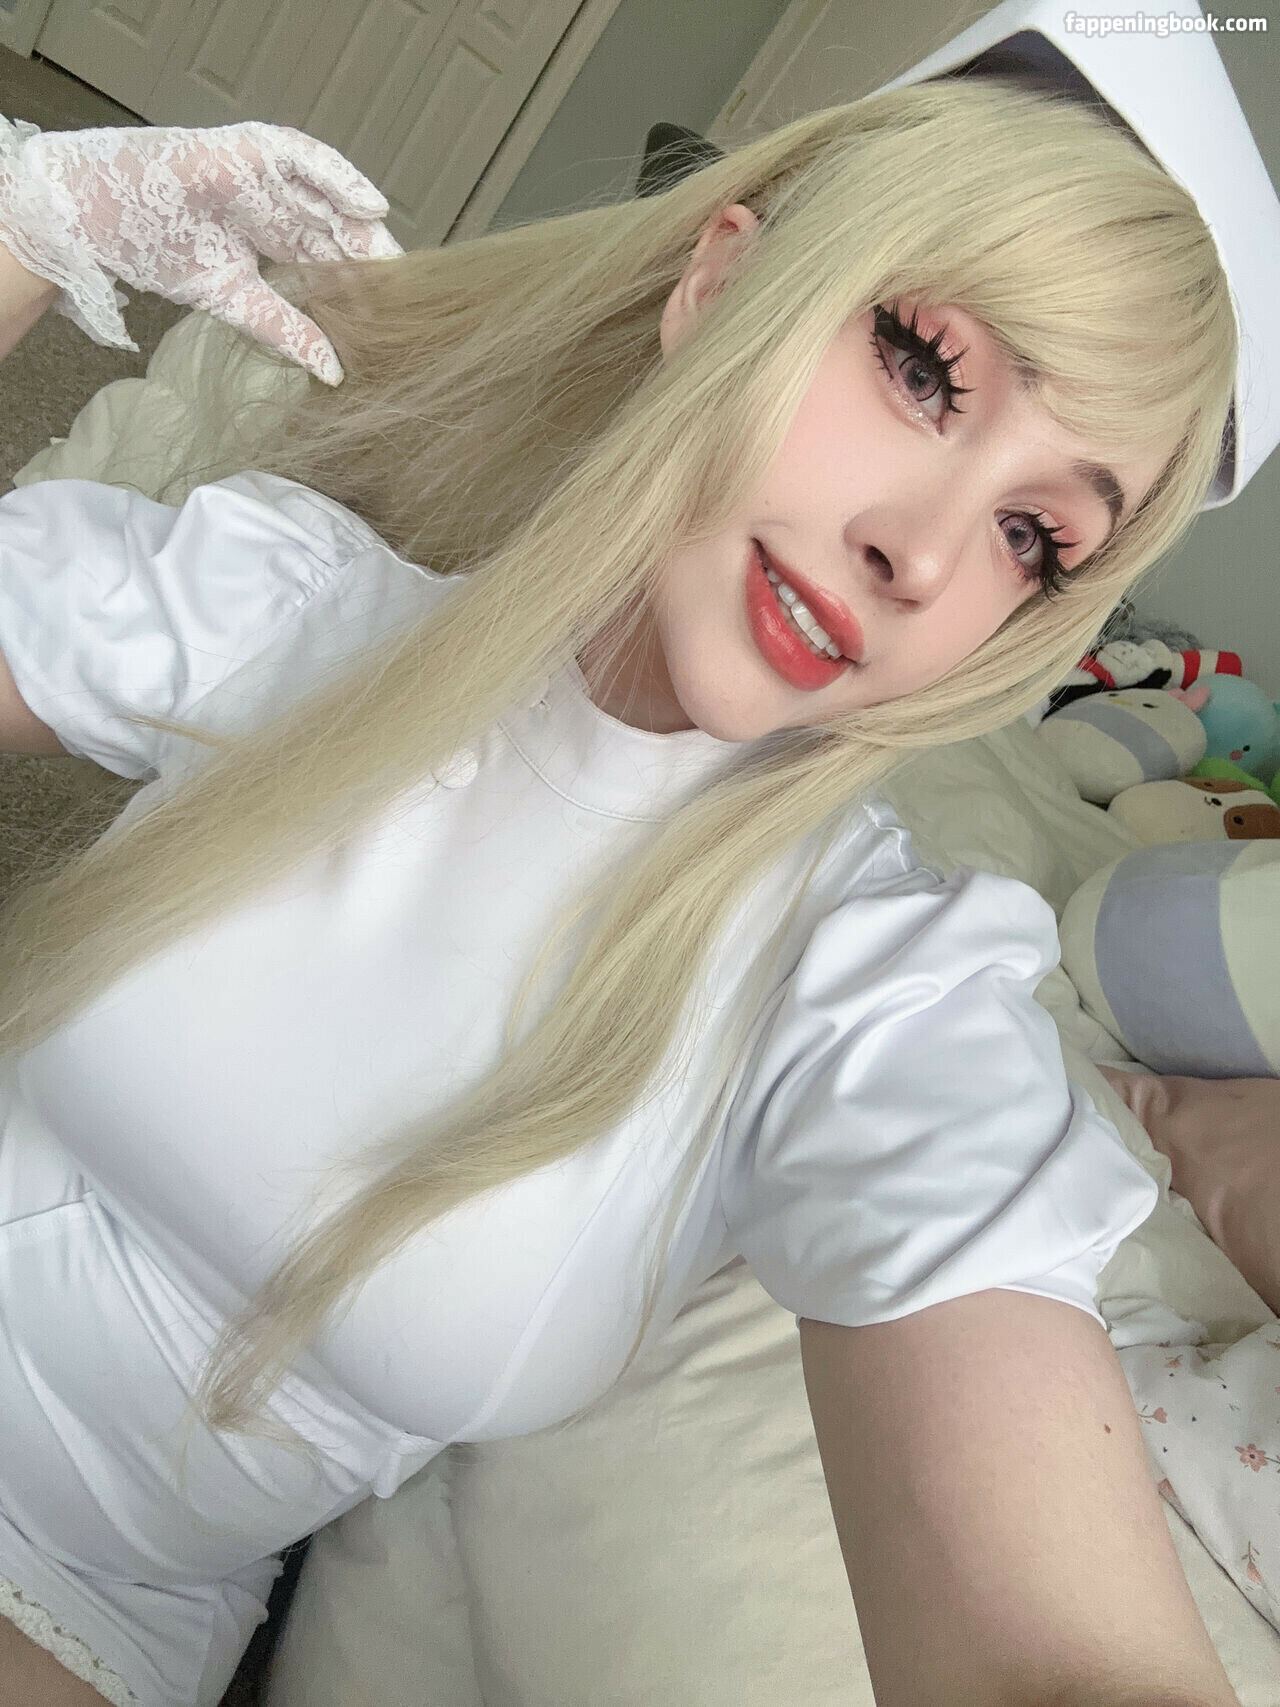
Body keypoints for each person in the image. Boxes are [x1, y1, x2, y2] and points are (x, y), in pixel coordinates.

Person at [0, 5, 1272, 1703]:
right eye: (924, 370)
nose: (921, 552)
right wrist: (24, 230)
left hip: (82, 1607)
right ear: (721, 283)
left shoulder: (879, 997)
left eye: (1037, 535)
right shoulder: (292, 609)